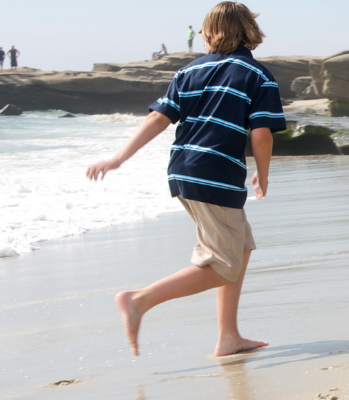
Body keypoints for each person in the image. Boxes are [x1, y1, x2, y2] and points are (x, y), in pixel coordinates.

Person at [86, 1, 286, 358]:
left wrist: (119, 157)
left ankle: (228, 337)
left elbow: (158, 119)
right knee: (225, 263)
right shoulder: (257, 75)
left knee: (238, 248)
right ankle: (139, 300)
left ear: (209, 34)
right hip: (216, 174)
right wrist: (264, 174)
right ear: (251, 32)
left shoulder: (188, 72)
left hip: (183, 169)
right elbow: (261, 135)